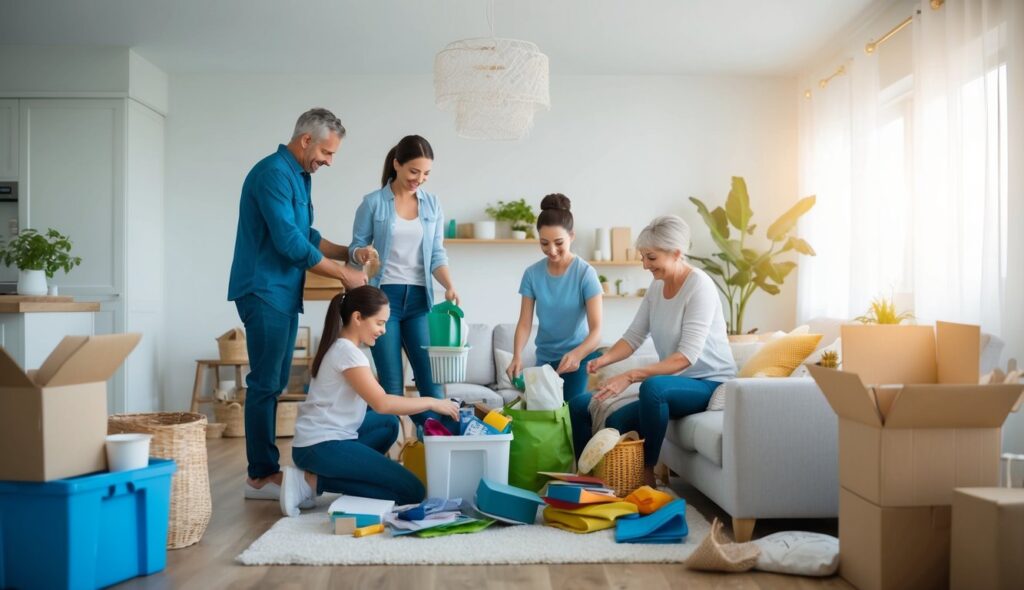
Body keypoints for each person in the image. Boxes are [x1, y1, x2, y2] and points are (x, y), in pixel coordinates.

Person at [228, 108, 366, 503]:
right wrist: (343, 273)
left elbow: (306, 234)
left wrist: (350, 252)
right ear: (306, 140)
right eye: (326, 152)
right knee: (266, 384)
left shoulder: (299, 176)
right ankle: (260, 476)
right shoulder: (272, 173)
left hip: (282, 291)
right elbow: (289, 243)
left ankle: (265, 471)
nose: (328, 161)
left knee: (272, 381)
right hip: (264, 288)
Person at [568, 215, 736, 485]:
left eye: (651, 257)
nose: (645, 265)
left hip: (710, 382)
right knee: (583, 406)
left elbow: (685, 357)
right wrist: (604, 359)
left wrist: (631, 375)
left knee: (653, 388)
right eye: (643, 257)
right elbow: (634, 336)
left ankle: (647, 473)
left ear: (676, 253)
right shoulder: (656, 288)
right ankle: (589, 480)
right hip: (675, 384)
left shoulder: (699, 286)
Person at [279, 286, 459, 516]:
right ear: (357, 318)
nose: (383, 330)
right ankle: (311, 481)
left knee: (388, 424)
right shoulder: (347, 353)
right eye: (379, 323)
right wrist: (433, 402)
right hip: (320, 446)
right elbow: (382, 403)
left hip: (323, 440)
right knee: (412, 491)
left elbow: (382, 404)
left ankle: (336, 476)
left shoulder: (343, 348)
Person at [348, 135, 459, 425]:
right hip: (384, 301)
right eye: (414, 171)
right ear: (397, 164)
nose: (419, 179)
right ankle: (382, 460)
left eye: (425, 174)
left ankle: (432, 455)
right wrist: (361, 253)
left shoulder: (432, 205)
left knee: (432, 386)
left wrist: (449, 285)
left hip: (421, 301)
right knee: (391, 388)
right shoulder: (373, 203)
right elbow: (354, 248)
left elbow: (437, 254)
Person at [507, 194, 603, 402]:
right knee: (544, 414)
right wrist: (517, 356)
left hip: (578, 357)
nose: (551, 250)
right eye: (544, 243)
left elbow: (596, 332)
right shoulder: (532, 274)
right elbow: (525, 323)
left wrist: (577, 355)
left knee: (571, 412)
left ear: (572, 236)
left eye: (559, 242)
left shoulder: (585, 273)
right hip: (545, 359)